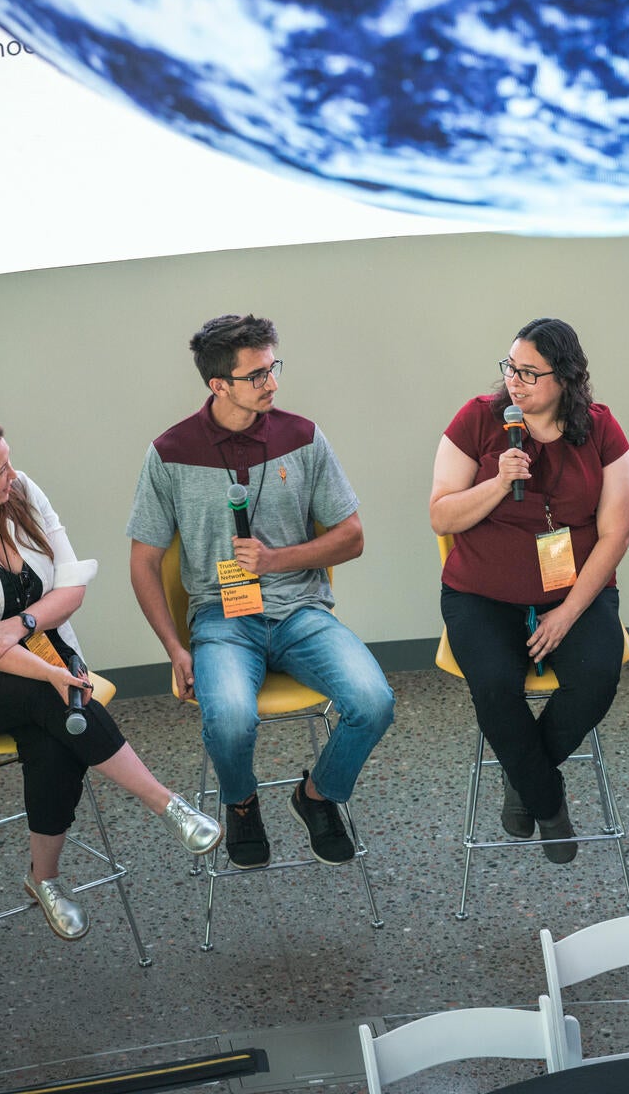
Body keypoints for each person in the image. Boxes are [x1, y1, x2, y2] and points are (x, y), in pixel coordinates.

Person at [0, 413, 220, 941]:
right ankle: (165, 803)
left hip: (30, 644)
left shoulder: (19, 494)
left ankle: (44, 880)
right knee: (59, 705)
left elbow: (70, 588)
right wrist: (50, 673)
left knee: (60, 730)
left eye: (10, 463)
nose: (12, 476)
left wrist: (23, 626)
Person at [127, 315, 395, 871]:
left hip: (301, 611)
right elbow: (143, 561)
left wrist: (277, 560)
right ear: (218, 385)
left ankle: (317, 795)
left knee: (374, 703)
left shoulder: (302, 436)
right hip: (222, 619)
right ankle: (241, 800)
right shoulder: (170, 452)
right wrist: (175, 649)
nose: (272, 382)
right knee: (228, 719)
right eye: (257, 375)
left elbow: (352, 538)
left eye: (274, 368)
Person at [428, 318, 629, 862]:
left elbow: (616, 533)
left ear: (564, 378)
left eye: (528, 373)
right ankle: (546, 798)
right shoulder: (478, 419)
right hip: (481, 592)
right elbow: (440, 515)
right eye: (510, 368)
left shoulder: (601, 429)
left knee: (596, 678)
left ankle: (522, 775)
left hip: (575, 590)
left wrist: (567, 613)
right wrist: (498, 482)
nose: (513, 382)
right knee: (496, 683)